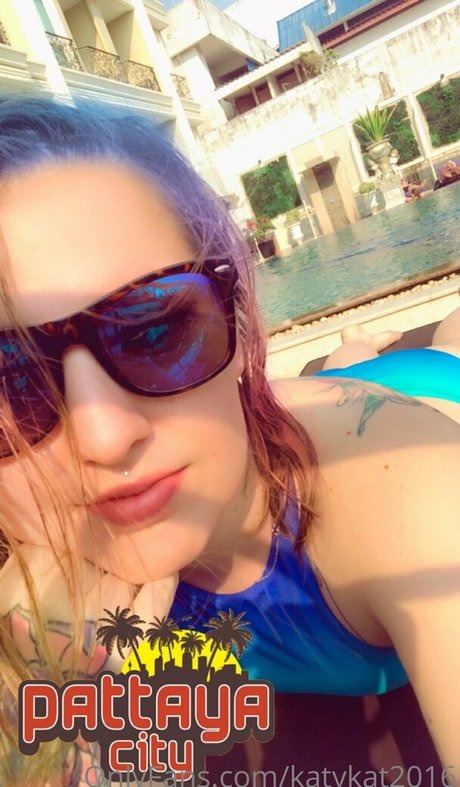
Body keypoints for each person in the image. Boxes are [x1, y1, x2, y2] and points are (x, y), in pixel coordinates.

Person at [0, 96, 459, 785]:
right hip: (294, 404)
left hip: (424, 398)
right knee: (345, 360)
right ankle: (352, 348)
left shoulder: (415, 497)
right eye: (12, 382)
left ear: (240, 318)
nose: (104, 436)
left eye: (154, 329)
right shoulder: (25, 591)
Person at [319, 309, 460, 423]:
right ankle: (357, 342)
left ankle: (357, 342)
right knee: (349, 366)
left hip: (340, 399)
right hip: (339, 398)